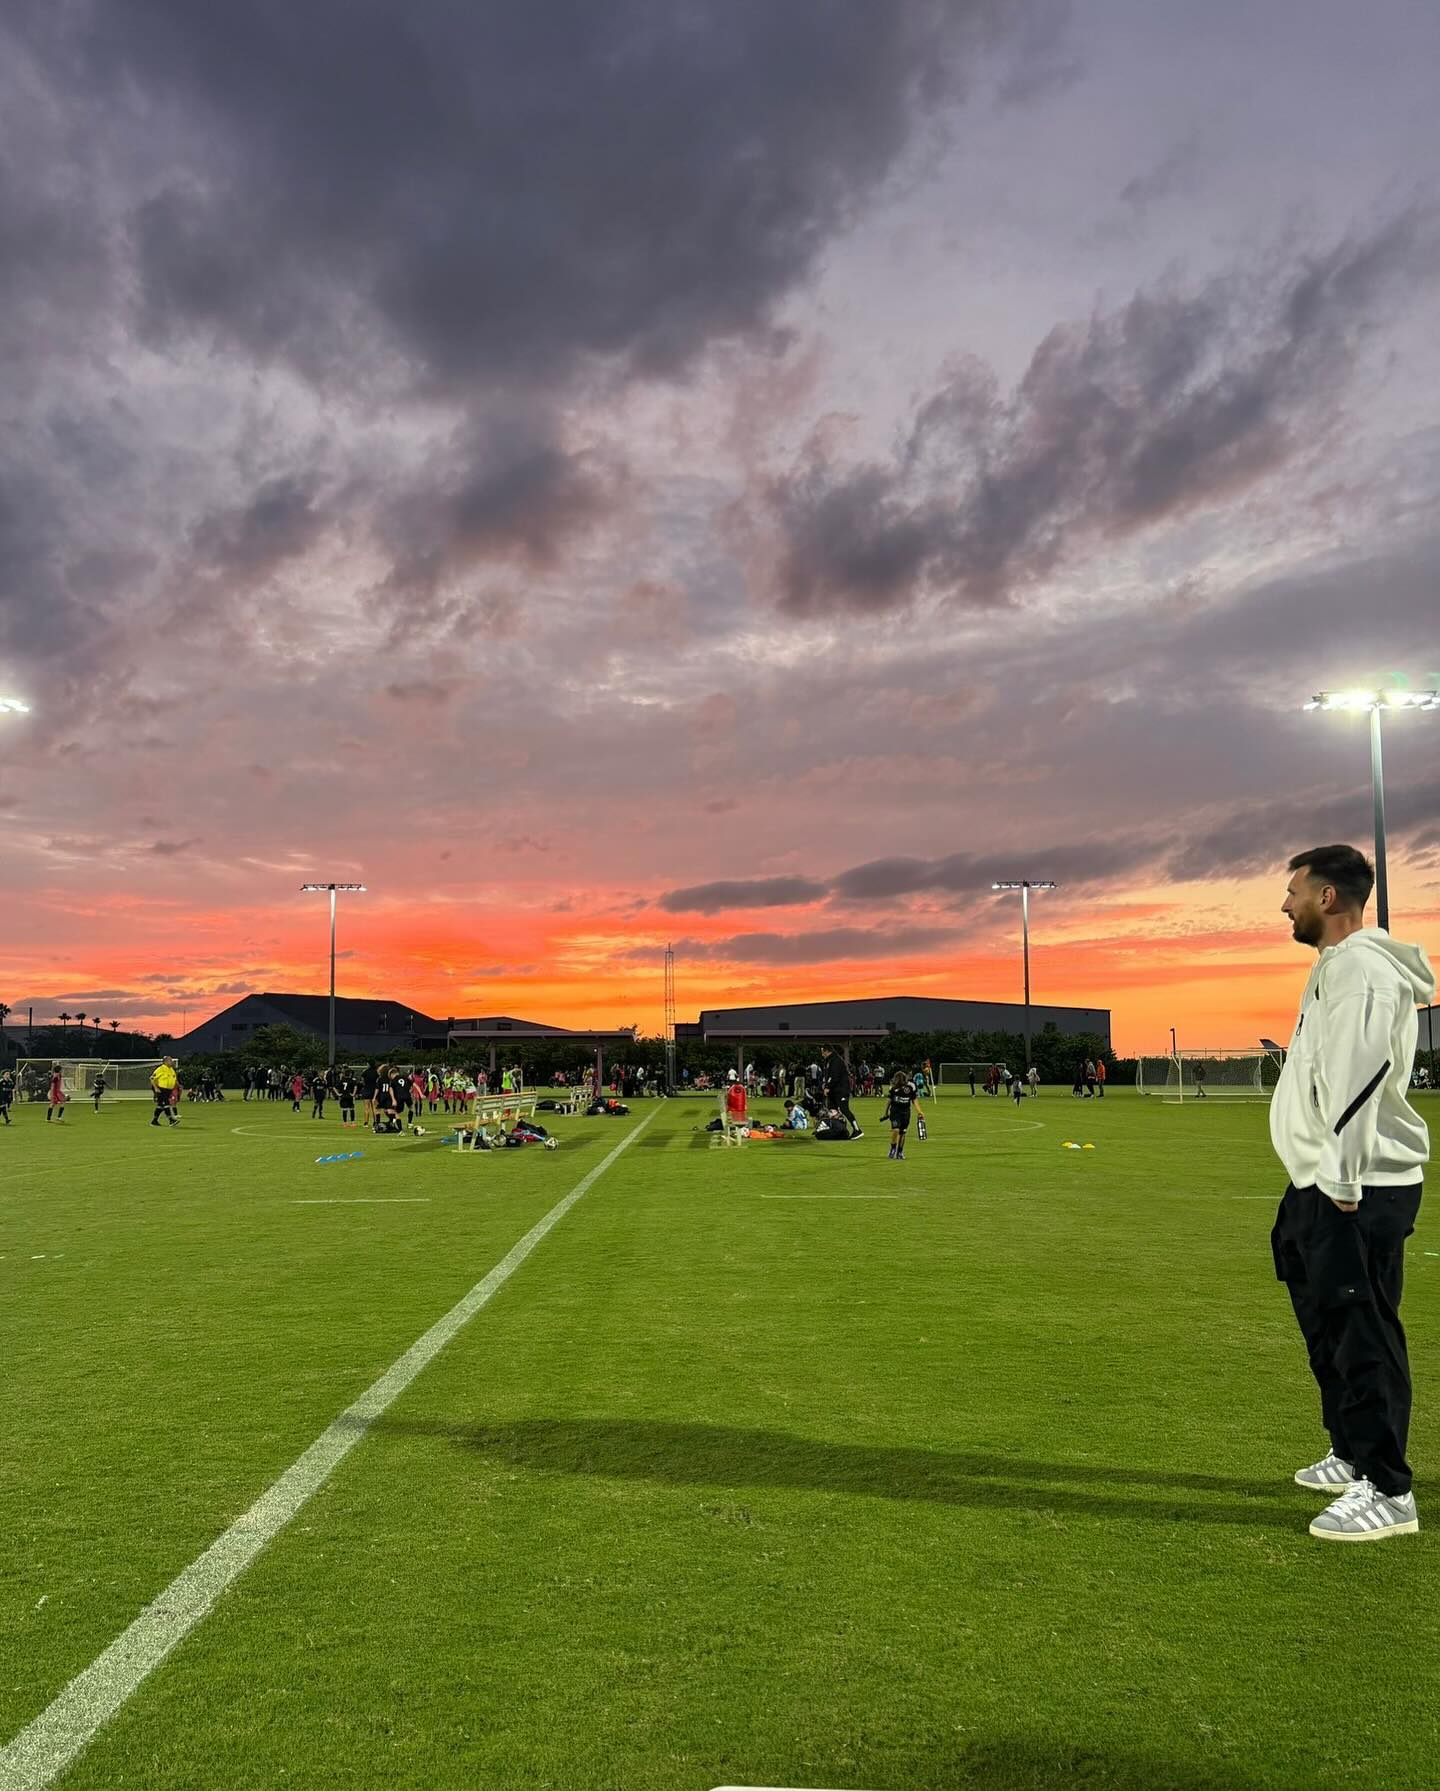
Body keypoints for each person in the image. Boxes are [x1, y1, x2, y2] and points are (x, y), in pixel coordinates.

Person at [1270, 844, 1433, 1542]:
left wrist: (1340, 1178)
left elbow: (1359, 1079)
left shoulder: (1363, 969)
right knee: (1325, 1313)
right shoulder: (1334, 968)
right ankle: (1349, 1448)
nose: (1285, 904)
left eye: (1293, 892)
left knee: (1362, 1326)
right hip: (1320, 1179)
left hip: (1356, 1183)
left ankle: (1387, 1487)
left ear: (1328, 897)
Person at [820, 1045, 861, 1139]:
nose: (822, 1054)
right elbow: (829, 1075)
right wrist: (825, 1084)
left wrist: (827, 1086)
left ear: (827, 1051)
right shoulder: (830, 1061)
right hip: (835, 1091)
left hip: (841, 1090)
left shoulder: (836, 1061)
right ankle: (837, 1130)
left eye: (823, 1052)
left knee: (844, 1109)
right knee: (833, 1110)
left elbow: (835, 1076)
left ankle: (857, 1130)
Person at [885, 1072, 913, 1160]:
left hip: (906, 1113)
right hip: (895, 1113)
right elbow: (889, 1101)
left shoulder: (909, 1089)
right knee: (896, 1130)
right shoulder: (893, 1089)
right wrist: (886, 1112)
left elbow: (913, 1099)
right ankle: (893, 1148)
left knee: (903, 1132)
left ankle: (900, 1152)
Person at [149, 1057, 179, 1127]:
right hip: (161, 1089)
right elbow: (152, 1078)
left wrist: (177, 1086)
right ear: (166, 1062)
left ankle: (154, 1121)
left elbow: (173, 1079)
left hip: (168, 1090)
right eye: (170, 1061)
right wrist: (156, 1088)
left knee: (160, 1106)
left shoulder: (171, 1070)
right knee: (166, 1104)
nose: (172, 1062)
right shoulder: (160, 1069)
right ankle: (171, 1120)